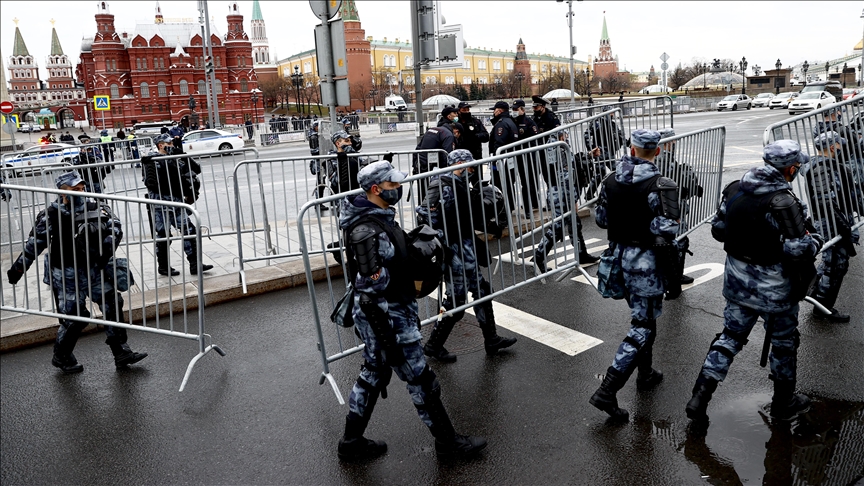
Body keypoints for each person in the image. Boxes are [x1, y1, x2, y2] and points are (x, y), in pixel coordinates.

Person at [337, 160, 487, 461]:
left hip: (392, 311)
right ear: (376, 189)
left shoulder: (378, 217)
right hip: (387, 316)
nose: (399, 189)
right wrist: (390, 341)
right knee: (420, 378)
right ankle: (448, 443)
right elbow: (369, 293)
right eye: (393, 185)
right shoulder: (367, 229)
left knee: (373, 375)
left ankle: (351, 443)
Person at [685, 140, 822, 424]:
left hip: (737, 282)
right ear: (791, 169)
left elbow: (719, 232)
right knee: (784, 343)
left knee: (729, 339)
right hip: (775, 289)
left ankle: (699, 398)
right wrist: (816, 242)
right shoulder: (783, 201)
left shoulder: (736, 188)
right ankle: (784, 402)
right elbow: (797, 250)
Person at [6, 171, 148, 373]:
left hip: (95, 269)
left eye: (82, 188)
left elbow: (115, 227)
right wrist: (18, 269)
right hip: (66, 276)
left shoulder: (96, 206)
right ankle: (62, 356)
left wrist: (106, 245)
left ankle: (121, 351)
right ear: (62, 192)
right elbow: (34, 245)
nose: (81, 193)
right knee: (74, 318)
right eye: (75, 190)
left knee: (112, 304)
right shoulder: (51, 214)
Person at [588, 129, 682, 421]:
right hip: (646, 262)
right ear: (657, 151)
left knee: (645, 318)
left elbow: (601, 219)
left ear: (631, 149)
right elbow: (668, 228)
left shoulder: (610, 180)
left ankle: (646, 372)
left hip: (619, 259)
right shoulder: (661, 185)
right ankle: (607, 391)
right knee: (642, 325)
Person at [417, 149, 516, 363]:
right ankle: (433, 344)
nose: (473, 168)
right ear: (459, 164)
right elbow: (425, 214)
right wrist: (444, 245)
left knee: (481, 290)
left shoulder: (461, 183)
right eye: (470, 165)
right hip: (454, 251)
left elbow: (466, 213)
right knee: (456, 300)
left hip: (466, 247)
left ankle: (491, 339)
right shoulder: (442, 184)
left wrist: (489, 226)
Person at [804, 132, 860, 322]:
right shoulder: (821, 168)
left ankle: (816, 296)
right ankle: (823, 307)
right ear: (832, 145)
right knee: (835, 264)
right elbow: (826, 201)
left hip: (834, 220)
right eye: (837, 143)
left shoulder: (827, 165)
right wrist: (843, 226)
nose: (840, 146)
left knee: (834, 263)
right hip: (830, 222)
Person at [141, 134, 213, 276]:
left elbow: (195, 170)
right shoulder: (152, 159)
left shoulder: (176, 158)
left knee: (189, 230)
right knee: (163, 234)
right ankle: (163, 267)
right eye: (169, 144)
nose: (172, 146)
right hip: (160, 203)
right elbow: (151, 182)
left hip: (177, 201)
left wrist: (183, 156)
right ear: (161, 145)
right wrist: (158, 161)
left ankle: (195, 264)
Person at [532, 145, 602, 272]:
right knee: (557, 229)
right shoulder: (558, 148)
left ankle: (581, 254)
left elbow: (572, 162)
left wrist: (588, 155)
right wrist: (573, 199)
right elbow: (566, 177)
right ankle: (538, 257)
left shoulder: (556, 147)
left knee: (575, 224)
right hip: (562, 195)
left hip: (558, 193)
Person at [655, 127, 704, 286]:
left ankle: (667, 273)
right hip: (673, 209)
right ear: (667, 143)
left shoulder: (656, 161)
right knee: (680, 240)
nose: (675, 143)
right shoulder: (666, 162)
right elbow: (682, 188)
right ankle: (675, 276)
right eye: (673, 140)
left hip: (663, 210)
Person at [413, 112, 461, 203]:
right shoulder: (449, 135)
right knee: (434, 194)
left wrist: (414, 164)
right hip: (434, 169)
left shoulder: (433, 129)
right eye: (459, 135)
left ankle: (422, 211)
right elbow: (448, 154)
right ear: (456, 131)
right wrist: (447, 170)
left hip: (421, 166)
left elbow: (418, 148)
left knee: (423, 193)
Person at [488, 101, 520, 208]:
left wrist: (495, 161)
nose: (493, 112)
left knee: (500, 184)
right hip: (510, 159)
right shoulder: (510, 121)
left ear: (499, 111)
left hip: (502, 160)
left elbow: (499, 143)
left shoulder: (501, 123)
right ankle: (509, 206)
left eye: (494, 110)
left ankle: (503, 208)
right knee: (508, 183)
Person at [511, 99, 541, 212]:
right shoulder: (511, 121)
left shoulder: (529, 122)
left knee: (528, 182)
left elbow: (535, 139)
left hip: (527, 156)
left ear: (522, 110)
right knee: (511, 181)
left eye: (516, 109)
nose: (514, 111)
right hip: (514, 156)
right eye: (513, 109)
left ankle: (532, 204)